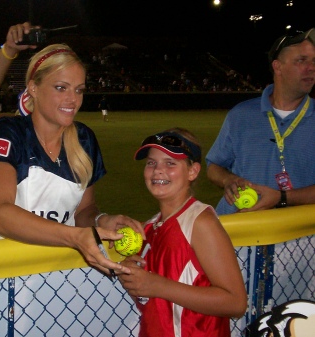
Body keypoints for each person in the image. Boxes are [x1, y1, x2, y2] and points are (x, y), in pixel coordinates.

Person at [0, 22, 144, 276]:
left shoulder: (84, 139)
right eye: (61, 88)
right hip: (1, 271)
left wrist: (102, 220)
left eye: (79, 90)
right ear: (33, 87)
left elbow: (84, 211)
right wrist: (75, 237)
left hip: (57, 274)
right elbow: (0, 215)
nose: (72, 100)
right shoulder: (8, 134)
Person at [118, 128, 247, 337]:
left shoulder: (200, 222)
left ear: (192, 171)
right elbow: (159, 302)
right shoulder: (151, 227)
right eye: (151, 162)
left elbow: (236, 302)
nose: (158, 170)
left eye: (170, 163)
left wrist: (157, 286)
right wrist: (135, 279)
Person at [206, 28, 315, 215]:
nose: (311, 67)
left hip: (298, 237)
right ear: (277, 66)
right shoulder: (241, 114)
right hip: (242, 233)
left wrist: (282, 198)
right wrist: (228, 180)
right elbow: (214, 166)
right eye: (301, 60)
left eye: (314, 61)